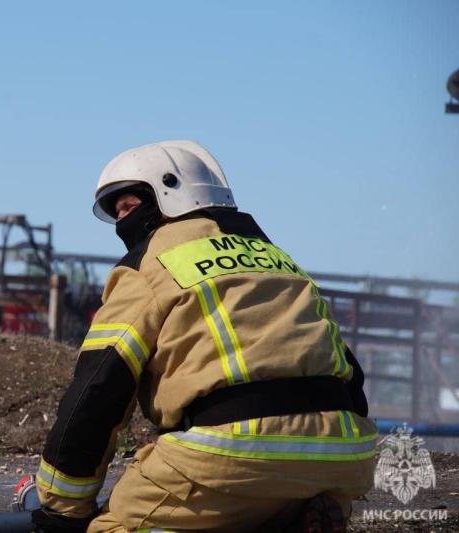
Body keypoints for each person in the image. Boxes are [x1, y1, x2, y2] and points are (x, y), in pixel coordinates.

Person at [30, 140, 378, 532]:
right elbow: (348, 369)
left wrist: (62, 507)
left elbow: (98, 388)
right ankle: (292, 515)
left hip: (229, 455)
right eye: (117, 213)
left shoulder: (147, 266)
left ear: (168, 194)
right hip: (342, 455)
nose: (123, 221)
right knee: (262, 507)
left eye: (129, 206)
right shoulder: (279, 260)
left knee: (113, 527)